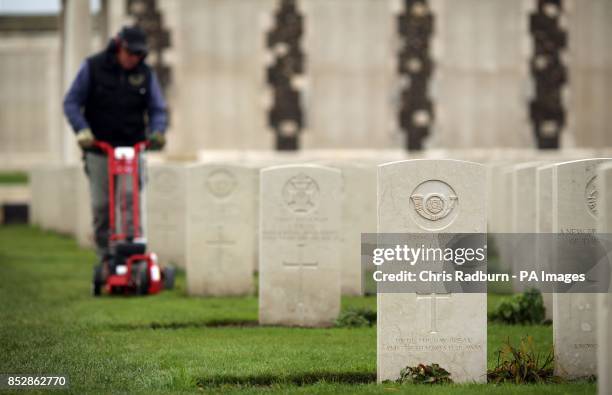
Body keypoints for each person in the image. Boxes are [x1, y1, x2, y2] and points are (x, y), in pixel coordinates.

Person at [63, 26, 168, 264]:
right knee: (102, 205)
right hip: (99, 147)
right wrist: (82, 130)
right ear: (119, 47)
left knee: (130, 200)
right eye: (131, 53)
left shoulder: (145, 74)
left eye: (139, 55)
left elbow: (157, 108)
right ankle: (105, 257)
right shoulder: (93, 67)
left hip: (132, 148)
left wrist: (157, 131)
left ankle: (132, 254)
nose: (134, 59)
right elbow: (71, 102)